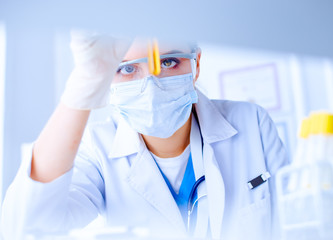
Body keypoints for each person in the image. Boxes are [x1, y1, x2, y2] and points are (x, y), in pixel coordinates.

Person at [1, 31, 288, 240]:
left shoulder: (252, 123)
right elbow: (27, 225)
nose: (151, 86)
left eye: (169, 62)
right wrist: (84, 84)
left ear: (196, 64)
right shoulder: (97, 149)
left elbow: (296, 220)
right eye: (127, 69)